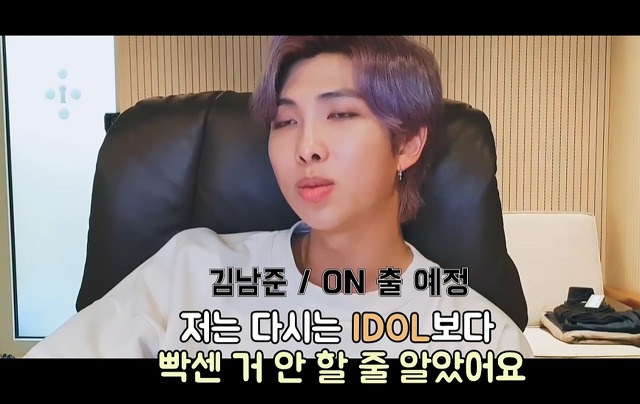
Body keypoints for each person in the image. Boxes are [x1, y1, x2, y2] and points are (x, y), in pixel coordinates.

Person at [25, 36, 533, 359]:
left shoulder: (481, 338)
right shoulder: (191, 272)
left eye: (341, 114)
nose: (305, 147)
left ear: (406, 145)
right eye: (285, 121)